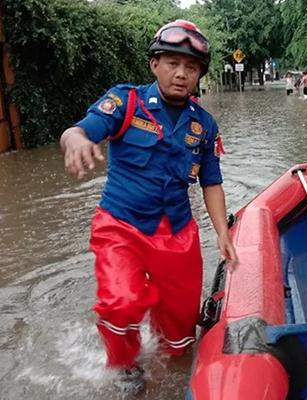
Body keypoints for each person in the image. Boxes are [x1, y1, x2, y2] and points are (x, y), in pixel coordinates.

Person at [59, 19, 238, 396]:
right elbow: (80, 129)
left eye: (191, 68)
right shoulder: (125, 102)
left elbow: (211, 181)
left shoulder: (203, 125)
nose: (181, 74)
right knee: (121, 302)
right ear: (154, 64)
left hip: (177, 234)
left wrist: (222, 231)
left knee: (180, 327)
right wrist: (75, 139)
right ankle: (124, 367)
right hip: (121, 227)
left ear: (199, 75)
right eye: (172, 63)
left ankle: (172, 378)